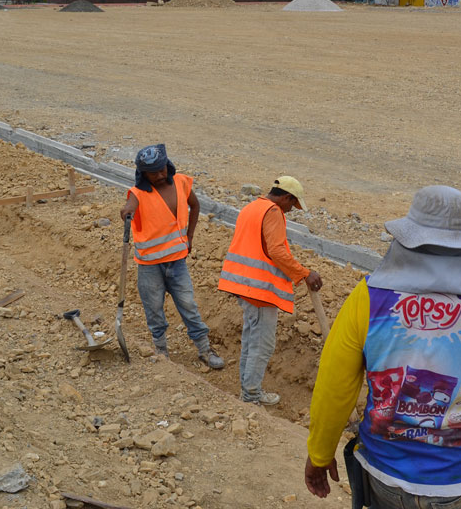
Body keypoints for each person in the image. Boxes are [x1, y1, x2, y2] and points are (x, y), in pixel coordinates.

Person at [304, 185, 461, 508]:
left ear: (406, 239)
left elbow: (334, 386)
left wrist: (320, 452)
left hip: (384, 477)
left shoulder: (369, 299)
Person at [218, 176, 322, 406]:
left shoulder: (252, 207)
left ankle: (248, 392)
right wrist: (304, 273)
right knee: (262, 346)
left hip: (244, 285)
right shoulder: (273, 212)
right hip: (260, 291)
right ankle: (251, 397)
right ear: (286, 197)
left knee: (250, 342)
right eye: (292, 205)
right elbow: (276, 251)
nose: (291, 211)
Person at [120, 144, 224, 368]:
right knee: (154, 310)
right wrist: (127, 211)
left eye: (162, 169)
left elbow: (195, 206)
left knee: (188, 305)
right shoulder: (138, 194)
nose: (160, 175)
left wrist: (190, 237)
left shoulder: (181, 183)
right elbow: (130, 205)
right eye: (153, 172)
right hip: (149, 265)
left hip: (177, 261)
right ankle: (161, 351)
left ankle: (204, 349)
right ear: (143, 174)